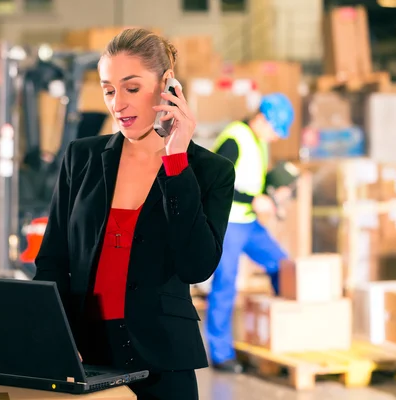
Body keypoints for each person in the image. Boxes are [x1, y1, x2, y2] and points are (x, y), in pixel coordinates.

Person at [33, 27, 235, 400]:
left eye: (132, 88)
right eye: (109, 90)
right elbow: (52, 262)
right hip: (84, 358)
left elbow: (196, 266)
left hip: (164, 363)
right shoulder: (82, 158)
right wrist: (53, 339)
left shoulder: (209, 171)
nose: (118, 104)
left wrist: (176, 161)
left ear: (167, 85)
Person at [207, 93, 295, 373]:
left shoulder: (259, 141)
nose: (276, 137)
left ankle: (287, 335)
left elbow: (253, 179)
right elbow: (213, 181)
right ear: (262, 118)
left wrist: (275, 186)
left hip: (249, 224)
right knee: (225, 285)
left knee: (284, 266)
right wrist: (251, 199)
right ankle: (221, 355)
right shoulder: (235, 138)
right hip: (229, 224)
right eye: (275, 130)